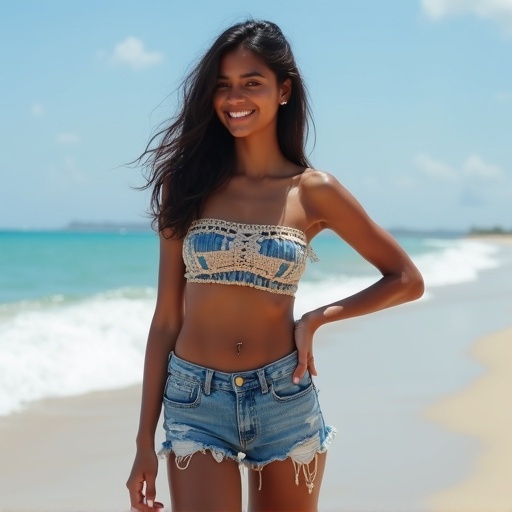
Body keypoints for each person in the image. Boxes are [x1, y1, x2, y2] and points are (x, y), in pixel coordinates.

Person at [126, 19, 424, 512]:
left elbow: (406, 279)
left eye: (251, 82)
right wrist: (142, 444)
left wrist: (317, 318)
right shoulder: (187, 186)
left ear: (283, 90)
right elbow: (166, 320)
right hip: (195, 400)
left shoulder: (314, 190)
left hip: (283, 398)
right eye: (222, 85)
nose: (234, 97)